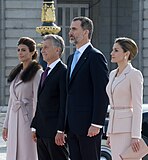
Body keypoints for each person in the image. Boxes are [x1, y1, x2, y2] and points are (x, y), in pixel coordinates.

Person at [65, 16, 109, 160]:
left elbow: (101, 92)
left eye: (74, 29)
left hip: (89, 126)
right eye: (70, 29)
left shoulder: (95, 57)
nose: (70, 32)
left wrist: (96, 123)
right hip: (72, 125)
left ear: (86, 32)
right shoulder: (71, 58)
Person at [2, 37, 43, 160]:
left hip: (28, 120)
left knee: (27, 153)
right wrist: (6, 125)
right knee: (13, 153)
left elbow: (37, 100)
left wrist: (35, 126)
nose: (20, 52)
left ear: (32, 52)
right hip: (14, 119)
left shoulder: (37, 73)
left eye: (24, 50)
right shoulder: (16, 73)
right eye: (18, 50)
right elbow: (11, 101)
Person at [31, 34, 69, 160]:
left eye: (46, 47)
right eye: (42, 47)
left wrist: (60, 130)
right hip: (42, 131)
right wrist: (35, 126)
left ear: (57, 50)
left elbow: (65, 103)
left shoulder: (63, 71)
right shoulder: (45, 73)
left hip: (55, 133)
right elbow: (40, 101)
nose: (42, 51)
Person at [106, 37, 144, 160]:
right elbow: (113, 105)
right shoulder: (112, 74)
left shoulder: (134, 74)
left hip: (127, 130)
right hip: (114, 129)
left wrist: (136, 136)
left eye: (116, 50)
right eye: (112, 50)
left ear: (126, 54)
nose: (112, 53)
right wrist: (109, 134)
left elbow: (138, 107)